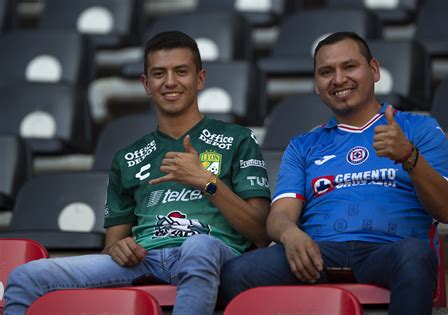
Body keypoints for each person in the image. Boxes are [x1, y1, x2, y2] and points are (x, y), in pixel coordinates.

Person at [4, 31, 271, 315]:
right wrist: (120, 249)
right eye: (159, 73)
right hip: (146, 258)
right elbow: (114, 245)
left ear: (200, 79)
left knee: (199, 245)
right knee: (26, 276)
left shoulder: (237, 139)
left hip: (212, 253)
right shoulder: (127, 158)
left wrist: (206, 181)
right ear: (146, 84)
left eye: (181, 71)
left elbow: (261, 233)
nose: (170, 82)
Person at [220, 32, 448, 315]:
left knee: (416, 255)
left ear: (374, 70)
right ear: (317, 85)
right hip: (318, 254)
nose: (339, 79)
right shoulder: (303, 145)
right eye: (326, 72)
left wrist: (409, 157)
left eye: (349, 67)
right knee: (236, 272)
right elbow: (280, 214)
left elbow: (446, 210)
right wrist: (289, 234)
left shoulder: (420, 129)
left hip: (389, 251)